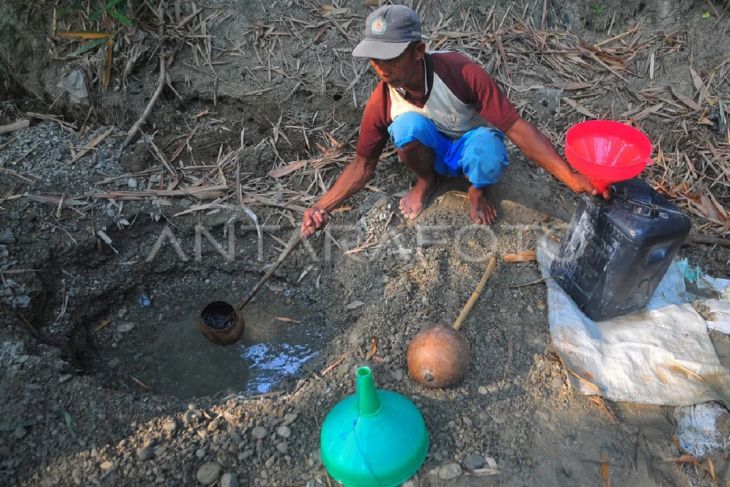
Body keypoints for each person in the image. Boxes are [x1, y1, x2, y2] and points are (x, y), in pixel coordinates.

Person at [300, 4, 599, 237]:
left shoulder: (460, 72)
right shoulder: (383, 99)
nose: (380, 68)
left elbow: (515, 128)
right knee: (406, 127)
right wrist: (321, 207)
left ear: (418, 51)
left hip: (473, 145)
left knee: (487, 152)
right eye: (375, 59)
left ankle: (477, 190)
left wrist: (570, 177)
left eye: (390, 58)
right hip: (435, 153)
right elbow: (362, 164)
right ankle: (428, 179)